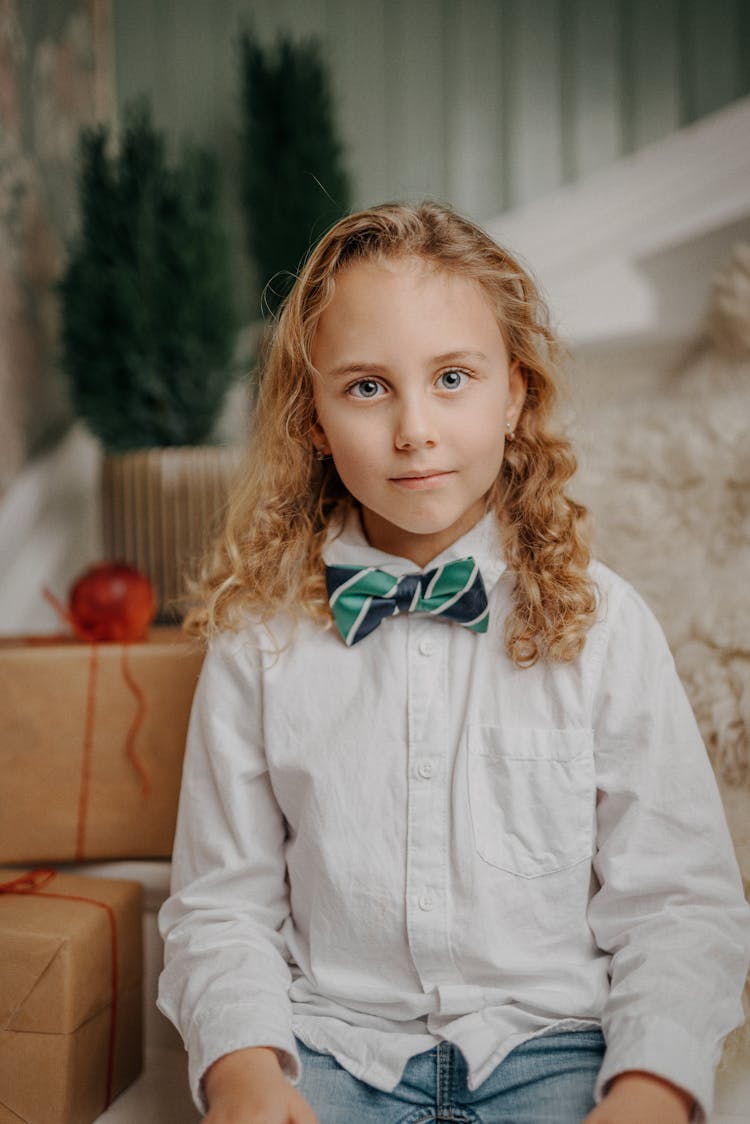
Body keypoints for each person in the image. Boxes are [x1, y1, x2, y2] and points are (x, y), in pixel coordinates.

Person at [158, 202, 749, 1124]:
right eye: (365, 387)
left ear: (514, 394)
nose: (414, 429)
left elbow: (678, 901)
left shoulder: (604, 625)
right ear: (310, 418)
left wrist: (651, 1087)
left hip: (554, 1044)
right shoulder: (258, 644)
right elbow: (220, 907)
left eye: (452, 378)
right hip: (334, 1047)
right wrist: (244, 1072)